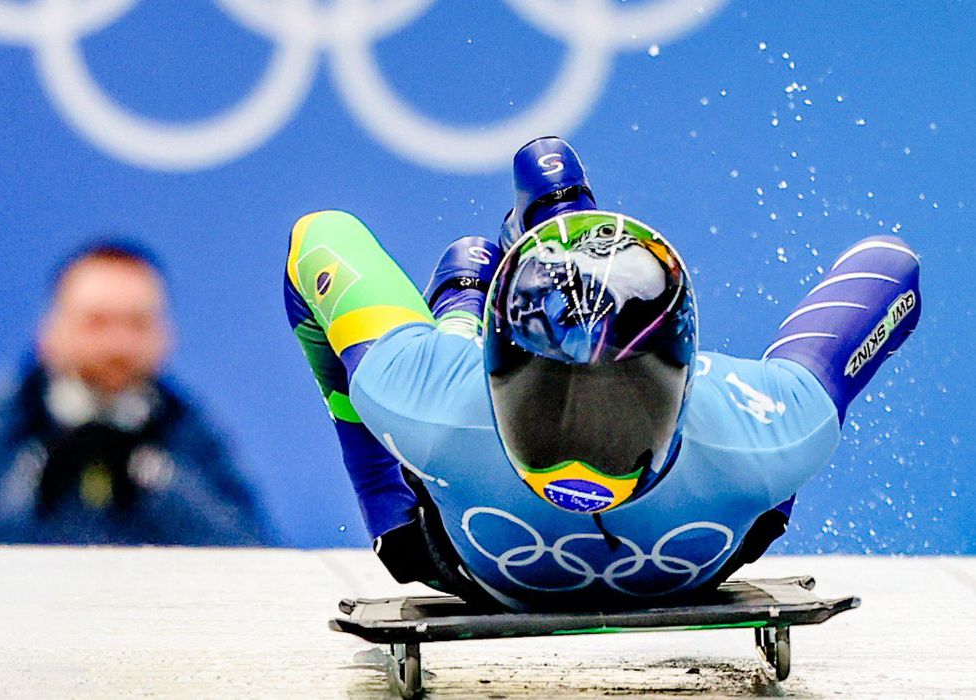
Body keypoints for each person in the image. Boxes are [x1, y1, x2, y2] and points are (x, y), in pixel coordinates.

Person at [284, 136, 920, 610]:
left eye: (620, 402)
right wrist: (796, 380)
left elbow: (317, 236)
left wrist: (384, 502)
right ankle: (557, 229)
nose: (581, 452)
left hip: (458, 553)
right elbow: (894, 268)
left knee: (464, 267)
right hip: (703, 546)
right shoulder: (766, 432)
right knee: (782, 460)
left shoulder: (428, 400)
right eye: (548, 397)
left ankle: (495, 274)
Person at [0, 239, 274, 546]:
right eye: (97, 322)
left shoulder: (194, 436)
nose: (118, 345)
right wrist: (30, 493)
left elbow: (255, 551)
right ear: (50, 331)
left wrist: (159, 481)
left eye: (137, 324)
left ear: (166, 336)